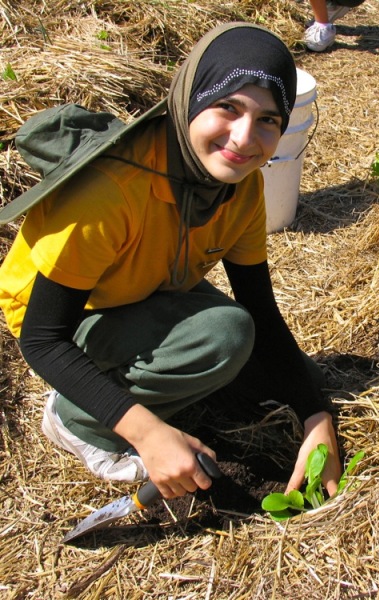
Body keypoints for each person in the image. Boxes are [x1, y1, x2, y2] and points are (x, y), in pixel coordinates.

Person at [0, 22, 341, 502]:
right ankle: (75, 420)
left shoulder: (241, 190)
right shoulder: (112, 192)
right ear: (189, 100)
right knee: (224, 338)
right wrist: (147, 434)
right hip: (69, 313)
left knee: (273, 361)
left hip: (142, 285)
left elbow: (262, 310)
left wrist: (315, 416)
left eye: (268, 119)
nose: (245, 139)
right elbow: (42, 338)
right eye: (228, 107)